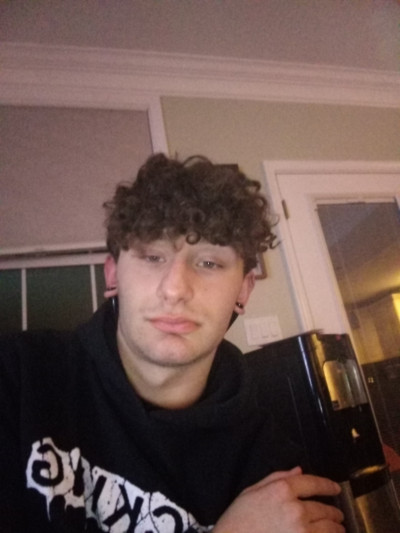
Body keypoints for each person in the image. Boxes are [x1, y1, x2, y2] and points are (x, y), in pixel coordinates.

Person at [0, 154, 345, 532]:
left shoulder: (279, 478)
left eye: (209, 263)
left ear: (243, 291)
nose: (176, 289)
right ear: (113, 276)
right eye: (152, 256)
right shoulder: (17, 378)